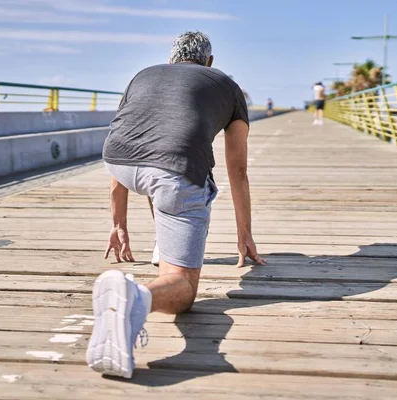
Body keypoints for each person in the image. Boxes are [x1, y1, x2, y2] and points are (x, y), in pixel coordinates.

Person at [86, 31, 266, 379]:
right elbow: (238, 169)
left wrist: (118, 223)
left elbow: (129, 138)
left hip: (118, 161)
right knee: (182, 289)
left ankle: (161, 243)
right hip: (173, 174)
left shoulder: (143, 75)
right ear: (209, 62)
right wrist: (245, 233)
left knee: (156, 172)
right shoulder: (227, 86)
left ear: (171, 58)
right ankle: (136, 298)